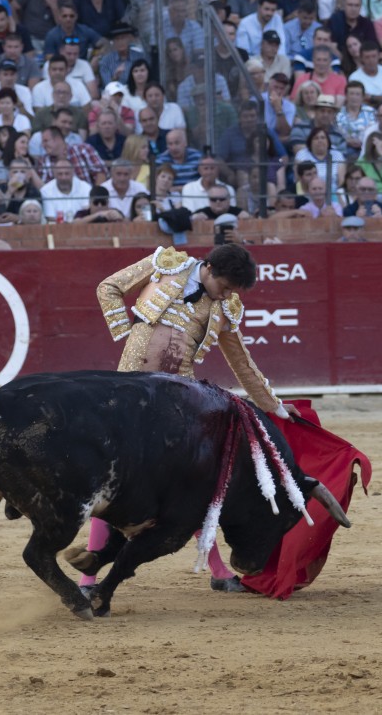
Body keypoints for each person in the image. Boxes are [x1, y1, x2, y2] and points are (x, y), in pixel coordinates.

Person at [87, 244, 298, 595]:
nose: (228, 295)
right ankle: (87, 579)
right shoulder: (165, 265)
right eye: (226, 286)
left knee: (193, 486)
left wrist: (274, 406)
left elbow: (242, 363)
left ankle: (218, 570)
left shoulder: (224, 308)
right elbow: (108, 287)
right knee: (110, 482)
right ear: (210, 268)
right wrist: (127, 334)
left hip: (178, 404)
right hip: (130, 394)